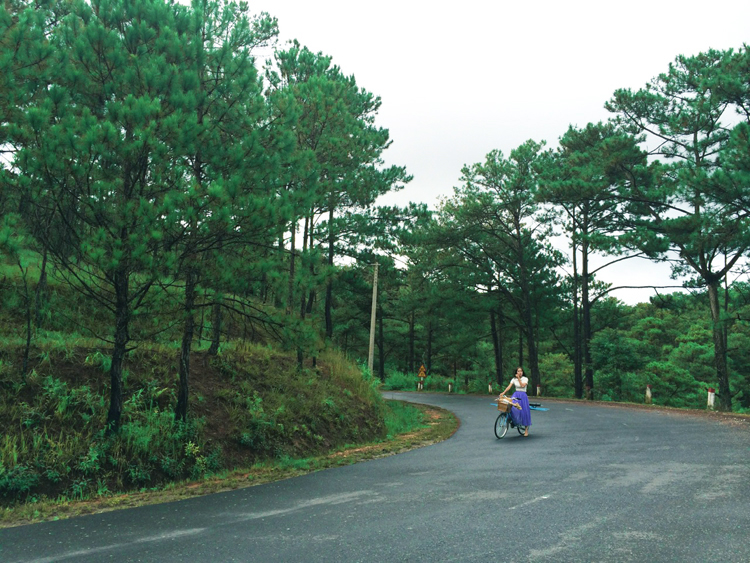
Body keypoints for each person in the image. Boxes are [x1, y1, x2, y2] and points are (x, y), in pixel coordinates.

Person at [499, 367, 532, 437]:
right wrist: (503, 392)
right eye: (518, 371)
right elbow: (509, 387)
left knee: (524, 411)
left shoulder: (525, 379)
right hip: (516, 394)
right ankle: (513, 420)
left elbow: (522, 386)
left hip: (523, 395)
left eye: (521, 371)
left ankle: (526, 430)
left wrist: (519, 379)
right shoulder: (513, 379)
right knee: (510, 406)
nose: (520, 372)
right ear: (516, 372)